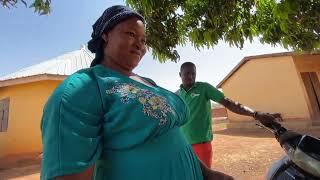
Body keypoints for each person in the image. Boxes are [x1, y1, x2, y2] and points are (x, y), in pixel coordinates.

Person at [40, 5, 247, 180]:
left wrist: (206, 173)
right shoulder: (83, 87)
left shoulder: (148, 83)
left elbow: (172, 136)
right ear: (105, 35)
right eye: (131, 34)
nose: (140, 44)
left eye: (143, 39)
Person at [177, 62, 281, 167]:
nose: (190, 76)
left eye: (193, 73)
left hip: (202, 145)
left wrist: (255, 114)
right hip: (183, 147)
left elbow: (228, 102)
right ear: (180, 74)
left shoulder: (204, 88)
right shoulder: (176, 95)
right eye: (187, 73)